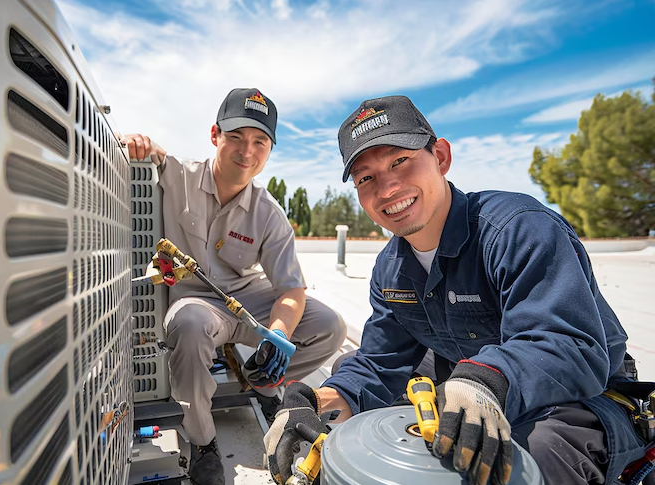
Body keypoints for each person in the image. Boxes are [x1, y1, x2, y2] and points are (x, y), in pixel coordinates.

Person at [264, 95, 653, 485]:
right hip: (471, 376)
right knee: (355, 387)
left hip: (584, 395)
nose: (386, 188)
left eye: (400, 161)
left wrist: (484, 379)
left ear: (441, 157)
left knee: (533, 452)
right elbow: (381, 362)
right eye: (366, 177)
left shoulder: (518, 230)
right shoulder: (390, 268)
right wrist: (316, 402)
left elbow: (572, 346)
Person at [122, 88, 346, 485]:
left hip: (248, 302)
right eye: (237, 137)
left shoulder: (269, 213)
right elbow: (147, 151)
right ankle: (204, 441)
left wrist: (277, 336)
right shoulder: (179, 176)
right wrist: (133, 142)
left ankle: (262, 379)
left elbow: (291, 290)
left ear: (270, 150)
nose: (248, 151)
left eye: (260, 141)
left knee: (331, 325)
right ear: (215, 136)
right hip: (196, 301)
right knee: (189, 326)